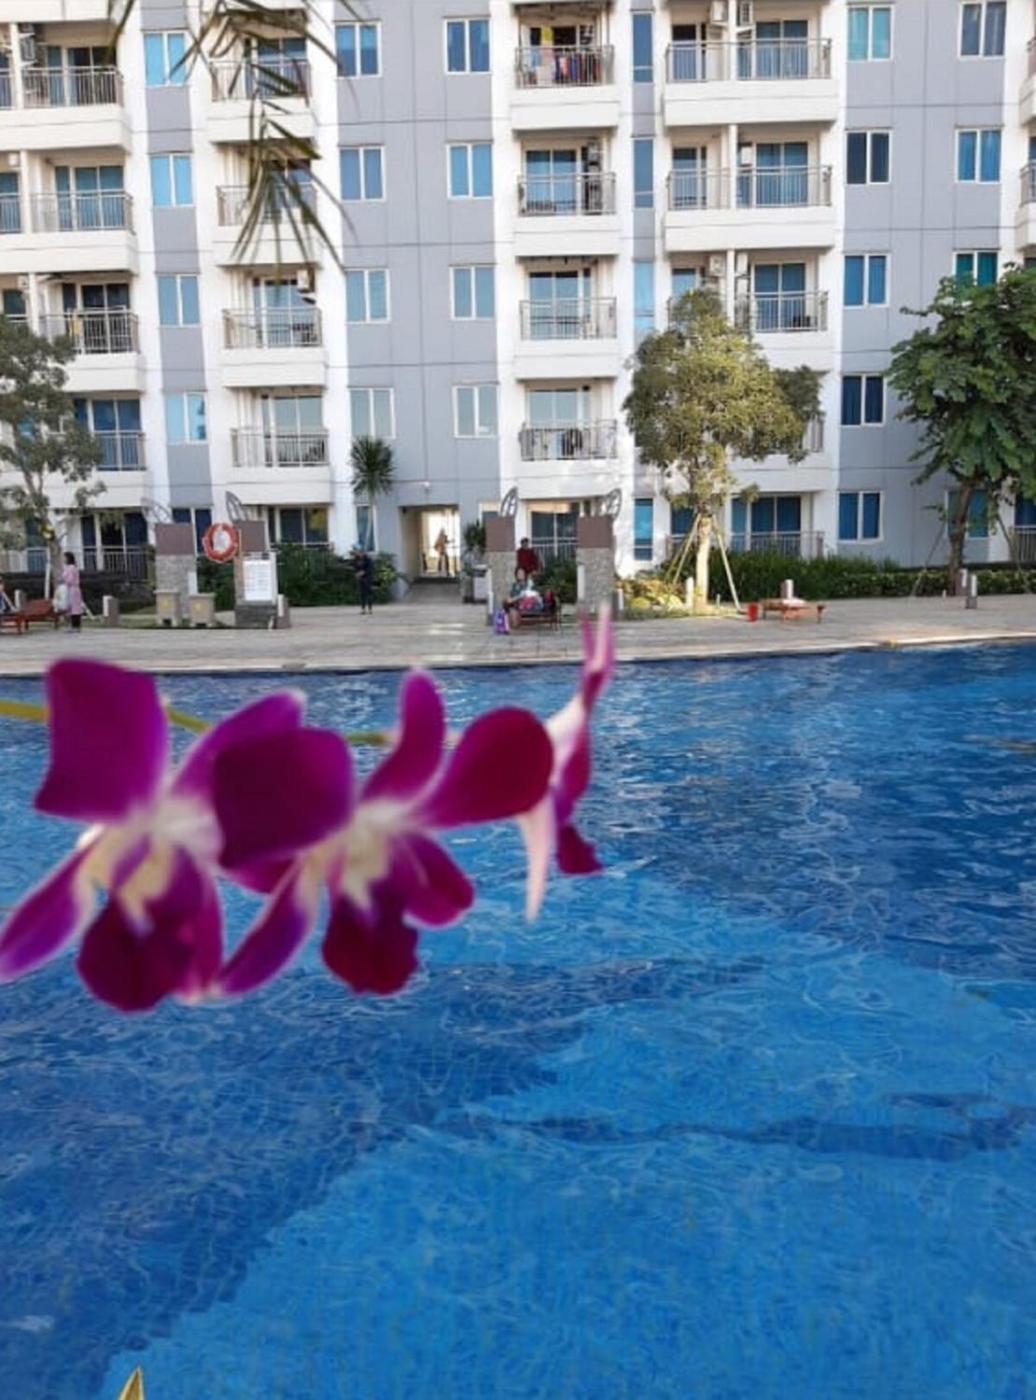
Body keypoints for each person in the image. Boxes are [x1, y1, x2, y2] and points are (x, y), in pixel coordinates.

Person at [60, 551, 83, 631]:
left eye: (64, 558)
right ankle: (73, 625)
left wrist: (63, 581)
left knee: (74, 608)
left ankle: (76, 626)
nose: (63, 559)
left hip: (73, 589)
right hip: (69, 589)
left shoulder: (71, 568)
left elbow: (70, 579)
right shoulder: (68, 568)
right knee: (71, 608)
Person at [354, 546, 375, 614]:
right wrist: (357, 573)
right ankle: (363, 609)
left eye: (360, 552)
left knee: (369, 594)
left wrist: (363, 572)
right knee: (362, 594)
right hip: (361, 579)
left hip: (368, 578)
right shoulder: (356, 559)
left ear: (363, 552)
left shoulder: (368, 559)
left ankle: (370, 609)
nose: (358, 553)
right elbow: (355, 567)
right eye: (357, 552)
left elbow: (371, 569)